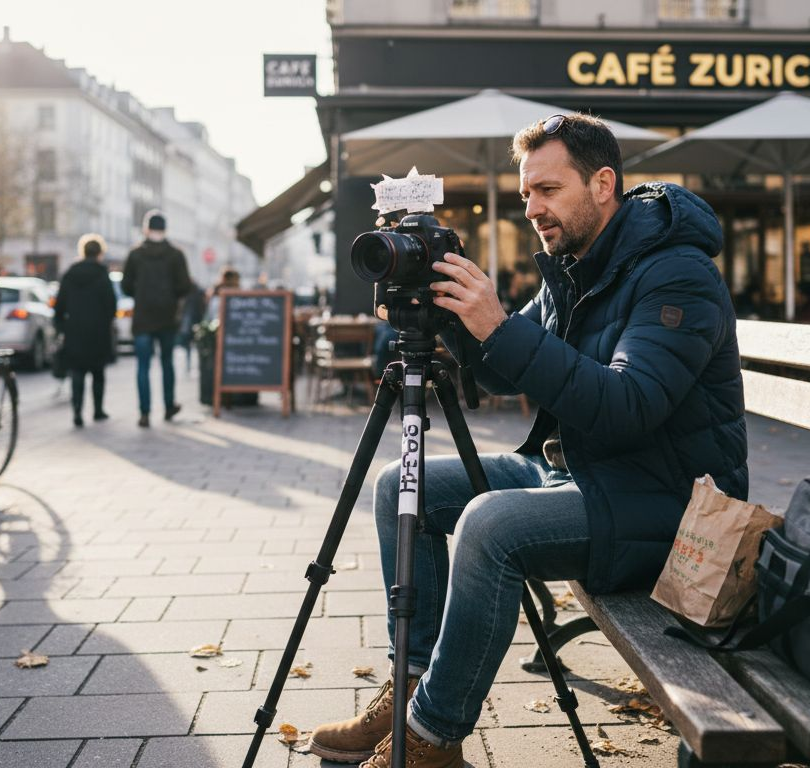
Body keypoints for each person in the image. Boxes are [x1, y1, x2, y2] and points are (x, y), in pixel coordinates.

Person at [307, 114, 747, 767]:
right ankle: (413, 685)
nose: (532, 209)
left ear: (603, 183)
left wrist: (500, 325)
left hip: (672, 507)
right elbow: (501, 368)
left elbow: (627, 407)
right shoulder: (577, 264)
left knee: (492, 524)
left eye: (547, 190)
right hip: (584, 475)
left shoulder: (676, 274)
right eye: (526, 195)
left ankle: (432, 740)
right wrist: (455, 318)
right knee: (402, 486)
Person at [121, 210, 192, 427]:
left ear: (146, 229)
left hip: (143, 317)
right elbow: (184, 286)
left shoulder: (135, 254)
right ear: (165, 230)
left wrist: (141, 294)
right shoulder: (175, 254)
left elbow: (126, 286)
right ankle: (169, 406)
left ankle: (144, 412)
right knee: (167, 362)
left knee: (143, 366)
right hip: (167, 317)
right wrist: (170, 297)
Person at [55, 234, 117, 427]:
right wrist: (106, 321)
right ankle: (98, 410)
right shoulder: (102, 274)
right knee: (98, 372)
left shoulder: (70, 274)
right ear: (99, 253)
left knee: (77, 372)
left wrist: (61, 327)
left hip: (75, 330)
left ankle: (77, 412)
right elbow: (111, 304)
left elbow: (59, 305)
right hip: (98, 330)